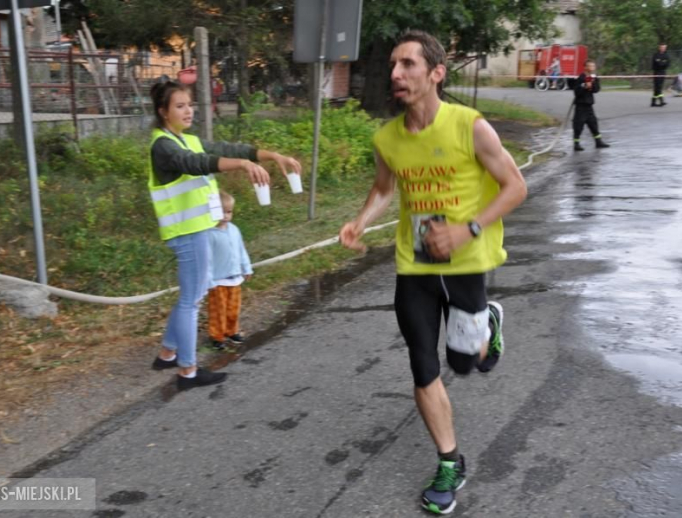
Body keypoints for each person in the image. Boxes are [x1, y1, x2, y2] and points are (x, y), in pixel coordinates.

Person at [339, 30, 527, 515]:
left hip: (466, 262)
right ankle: (449, 462)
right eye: (394, 66)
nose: (396, 74)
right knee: (424, 367)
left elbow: (514, 186)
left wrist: (468, 229)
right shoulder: (387, 138)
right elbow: (384, 188)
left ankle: (489, 324)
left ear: (436, 73)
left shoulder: (471, 127)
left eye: (408, 65)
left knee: (465, 364)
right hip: (416, 265)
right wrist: (360, 221)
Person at [148, 81, 301, 390]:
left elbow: (227, 149)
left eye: (190, 104)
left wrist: (272, 156)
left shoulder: (187, 139)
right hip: (187, 232)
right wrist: (242, 165)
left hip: (195, 230)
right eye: (180, 106)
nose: (188, 110)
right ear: (163, 112)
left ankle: (167, 353)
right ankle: (188, 371)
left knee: (191, 293)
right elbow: (194, 165)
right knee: (193, 299)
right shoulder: (163, 146)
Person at [206, 190, 253, 350]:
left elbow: (241, 250)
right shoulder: (209, 234)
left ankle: (231, 330)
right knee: (218, 310)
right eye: (222, 212)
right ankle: (217, 336)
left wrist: (246, 268)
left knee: (233, 308)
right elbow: (207, 259)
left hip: (235, 278)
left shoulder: (234, 230)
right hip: (217, 280)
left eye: (229, 212)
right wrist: (209, 279)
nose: (226, 216)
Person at [573, 60, 610, 151]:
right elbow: (576, 92)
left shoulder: (593, 77)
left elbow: (596, 89)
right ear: (585, 67)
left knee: (593, 123)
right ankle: (576, 144)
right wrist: (584, 86)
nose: (593, 68)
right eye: (590, 66)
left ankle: (598, 142)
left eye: (594, 66)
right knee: (579, 124)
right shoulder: (581, 78)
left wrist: (592, 85)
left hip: (589, 105)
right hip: (581, 105)